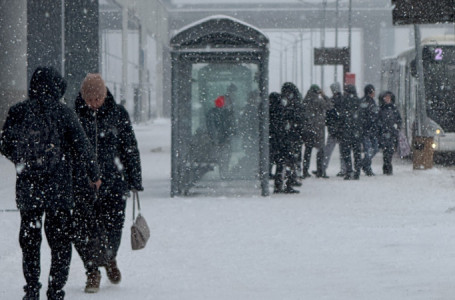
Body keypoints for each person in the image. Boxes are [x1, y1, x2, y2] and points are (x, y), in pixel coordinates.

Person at [0, 66, 101, 300]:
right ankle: (55, 290)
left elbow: (5, 144)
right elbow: (83, 146)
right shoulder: (64, 113)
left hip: (29, 188)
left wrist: (23, 160)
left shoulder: (18, 111)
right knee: (60, 244)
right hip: (59, 188)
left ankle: (32, 288)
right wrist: (94, 173)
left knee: (30, 241)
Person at [72, 73, 143, 293]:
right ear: (83, 97)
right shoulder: (74, 115)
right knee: (84, 230)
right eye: (90, 99)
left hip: (113, 182)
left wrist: (134, 179)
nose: (94, 104)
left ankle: (110, 258)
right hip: (83, 184)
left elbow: (129, 148)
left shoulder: (118, 114)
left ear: (104, 95)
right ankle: (92, 271)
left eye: (98, 99)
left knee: (113, 226)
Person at [269, 91, 299, 193]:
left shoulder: (269, 112)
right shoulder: (281, 111)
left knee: (279, 164)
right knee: (288, 163)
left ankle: (278, 185)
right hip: (283, 141)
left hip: (274, 142)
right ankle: (287, 185)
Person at [301, 84, 332, 178]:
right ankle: (320, 171)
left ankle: (305, 171)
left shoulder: (305, 101)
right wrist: (324, 95)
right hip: (318, 129)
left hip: (308, 128)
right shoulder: (319, 101)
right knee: (320, 150)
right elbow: (330, 106)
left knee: (308, 150)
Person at [206, 94, 236, 179]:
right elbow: (213, 128)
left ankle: (223, 174)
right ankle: (223, 174)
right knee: (223, 157)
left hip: (222, 140)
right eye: (227, 102)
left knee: (224, 157)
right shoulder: (219, 113)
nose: (229, 103)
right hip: (220, 140)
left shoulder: (222, 113)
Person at [321, 82, 346, 177]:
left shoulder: (331, 101)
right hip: (342, 130)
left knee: (328, 151)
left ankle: (323, 168)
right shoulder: (344, 100)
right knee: (343, 152)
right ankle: (343, 169)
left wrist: (329, 125)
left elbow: (328, 115)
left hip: (333, 130)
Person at [339, 84, 363, 180]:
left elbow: (341, 117)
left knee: (346, 152)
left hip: (346, 132)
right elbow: (362, 117)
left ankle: (349, 171)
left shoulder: (344, 101)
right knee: (357, 153)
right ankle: (357, 172)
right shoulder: (358, 101)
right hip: (356, 132)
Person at [377, 91, 402, 175]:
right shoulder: (381, 109)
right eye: (385, 97)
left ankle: (388, 166)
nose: (387, 99)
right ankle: (387, 166)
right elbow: (378, 120)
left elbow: (399, 120)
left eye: (388, 97)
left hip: (392, 133)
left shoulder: (394, 109)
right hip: (384, 133)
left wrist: (397, 127)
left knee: (390, 151)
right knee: (386, 151)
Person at [359, 84, 379, 176]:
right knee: (369, 150)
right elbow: (364, 116)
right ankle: (367, 167)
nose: (374, 93)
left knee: (374, 149)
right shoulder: (365, 102)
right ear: (370, 92)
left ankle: (362, 164)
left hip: (371, 130)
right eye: (373, 91)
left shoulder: (371, 102)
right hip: (366, 130)